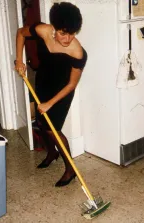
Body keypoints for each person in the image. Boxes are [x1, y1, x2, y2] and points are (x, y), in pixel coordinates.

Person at [15, 2, 87, 187]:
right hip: (43, 80)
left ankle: (70, 168)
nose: (68, 38)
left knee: (51, 128)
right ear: (53, 27)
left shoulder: (77, 52)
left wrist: (50, 103)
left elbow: (72, 84)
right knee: (40, 121)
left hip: (62, 90)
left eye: (72, 33)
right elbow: (21, 33)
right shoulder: (41, 30)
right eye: (64, 33)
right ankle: (52, 153)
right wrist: (19, 60)